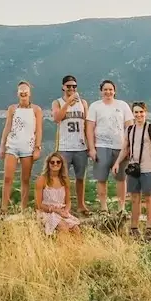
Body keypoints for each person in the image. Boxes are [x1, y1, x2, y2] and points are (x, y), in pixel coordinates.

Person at [112, 102, 151, 240]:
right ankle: (134, 228)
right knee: (134, 198)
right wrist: (117, 162)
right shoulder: (130, 130)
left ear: (145, 112)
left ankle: (149, 228)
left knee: (149, 197)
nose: (138, 115)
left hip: (149, 167)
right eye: (136, 112)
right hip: (134, 168)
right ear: (133, 113)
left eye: (141, 112)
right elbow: (125, 149)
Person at [85, 80, 134, 212]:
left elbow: (130, 128)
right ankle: (103, 208)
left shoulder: (122, 105)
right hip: (101, 145)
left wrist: (129, 147)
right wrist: (91, 148)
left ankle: (121, 208)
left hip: (120, 147)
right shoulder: (95, 106)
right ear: (101, 91)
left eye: (110, 89)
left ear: (114, 91)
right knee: (101, 178)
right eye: (105, 89)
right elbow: (89, 128)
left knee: (121, 178)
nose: (108, 92)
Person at [0, 81, 43, 212]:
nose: (23, 93)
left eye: (25, 91)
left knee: (25, 179)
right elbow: (7, 127)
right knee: (7, 177)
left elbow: (39, 130)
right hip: (12, 146)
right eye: (21, 91)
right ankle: (4, 207)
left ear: (30, 93)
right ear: (17, 93)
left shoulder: (36, 110)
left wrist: (37, 147)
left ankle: (23, 207)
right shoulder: (12, 109)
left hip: (28, 148)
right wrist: (2, 146)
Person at [52, 75, 90, 214]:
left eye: (74, 86)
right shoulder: (57, 102)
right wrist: (67, 103)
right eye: (69, 86)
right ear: (63, 87)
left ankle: (81, 204)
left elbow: (88, 125)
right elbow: (57, 118)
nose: (72, 89)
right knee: (64, 179)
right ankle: (65, 205)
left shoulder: (83, 103)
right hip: (64, 147)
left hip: (80, 146)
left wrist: (90, 146)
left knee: (80, 177)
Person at [35, 151, 81, 235]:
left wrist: (66, 211)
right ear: (48, 164)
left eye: (58, 162)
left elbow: (68, 201)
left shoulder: (65, 180)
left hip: (62, 211)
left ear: (61, 164)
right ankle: (63, 247)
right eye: (52, 162)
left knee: (76, 229)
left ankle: (76, 248)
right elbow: (38, 204)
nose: (55, 164)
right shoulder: (42, 180)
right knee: (63, 227)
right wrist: (55, 210)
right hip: (47, 212)